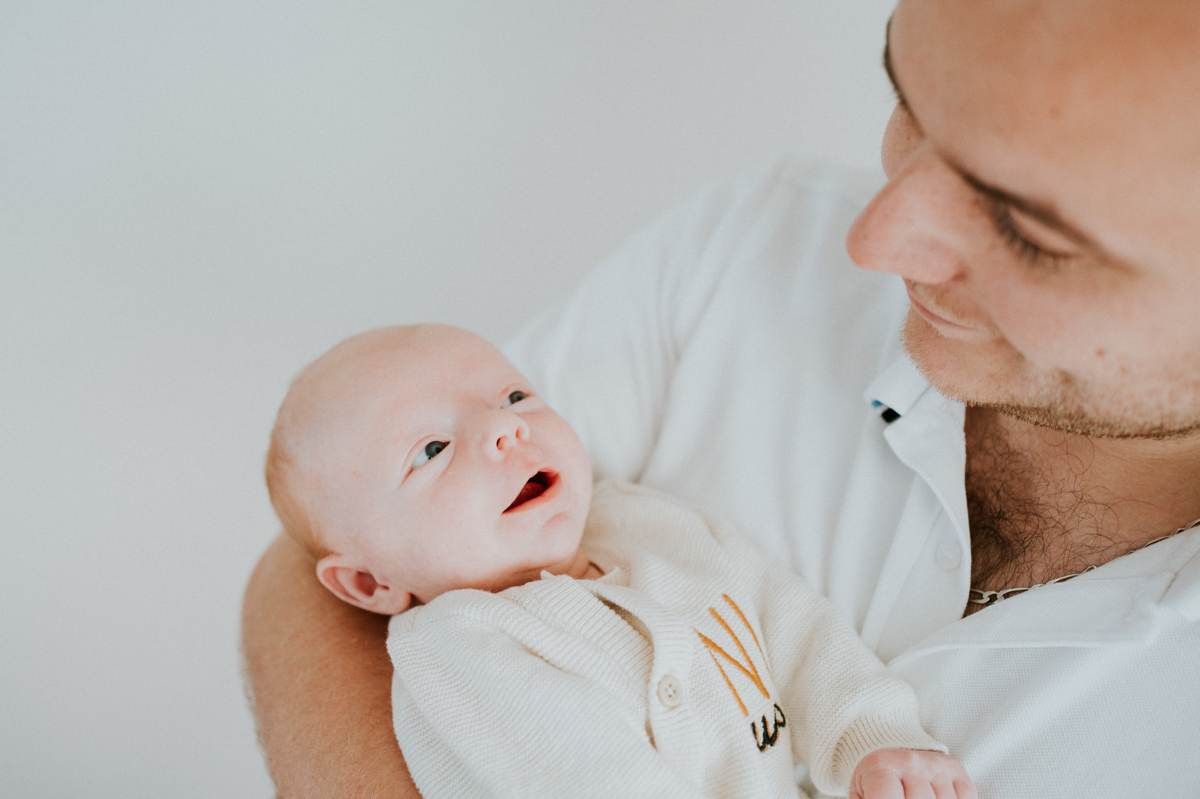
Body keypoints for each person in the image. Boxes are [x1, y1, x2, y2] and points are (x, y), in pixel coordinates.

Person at [241, 1, 1200, 796]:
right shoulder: (753, 250)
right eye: (910, 106)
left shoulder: (657, 537)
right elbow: (316, 553)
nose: (872, 242)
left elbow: (790, 628)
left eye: (1025, 226)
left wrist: (867, 738)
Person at [263, 323, 971, 799]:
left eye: (513, 396)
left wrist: (869, 742)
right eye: (432, 450)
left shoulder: (644, 524)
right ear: (369, 581)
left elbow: (794, 629)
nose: (506, 428)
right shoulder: (458, 649)